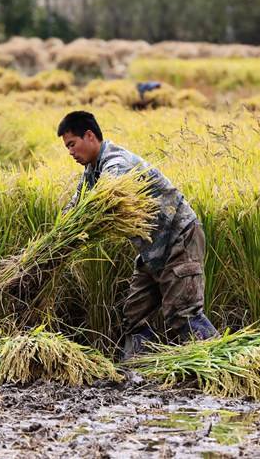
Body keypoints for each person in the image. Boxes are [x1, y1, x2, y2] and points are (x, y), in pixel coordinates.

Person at [57, 110, 218, 360]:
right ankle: (137, 368)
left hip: (178, 239)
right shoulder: (92, 171)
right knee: (134, 314)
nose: (70, 152)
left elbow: (103, 202)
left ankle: (217, 364)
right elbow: (76, 207)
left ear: (89, 136)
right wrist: (56, 238)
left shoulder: (116, 164)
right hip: (152, 249)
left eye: (72, 144)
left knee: (183, 313)